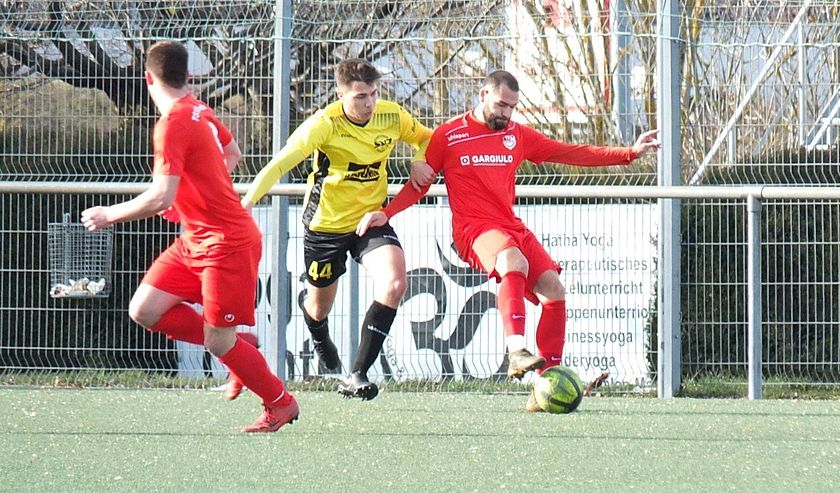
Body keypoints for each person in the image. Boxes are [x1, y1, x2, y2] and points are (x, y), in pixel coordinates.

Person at [357, 70, 659, 410]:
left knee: (554, 289)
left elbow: (570, 152)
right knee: (513, 260)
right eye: (502, 104)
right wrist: (388, 213)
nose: (507, 113)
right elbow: (420, 184)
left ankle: (546, 383)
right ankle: (516, 351)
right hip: (473, 229)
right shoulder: (449, 135)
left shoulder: (517, 135)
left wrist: (629, 153)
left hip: (511, 226)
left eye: (513, 107)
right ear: (483, 95)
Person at [80, 41, 299, 432]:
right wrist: (192, 198)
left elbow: (160, 196)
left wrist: (108, 214)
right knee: (144, 310)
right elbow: (232, 155)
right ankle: (239, 347)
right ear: (187, 76)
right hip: (195, 239)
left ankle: (279, 402)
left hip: (226, 244)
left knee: (218, 342)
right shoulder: (200, 109)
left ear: (148, 79)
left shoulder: (174, 123)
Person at [241, 58, 434, 400]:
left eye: (373, 93)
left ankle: (357, 373)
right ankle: (318, 332)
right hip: (325, 227)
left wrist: (419, 158)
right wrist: (247, 203)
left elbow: (427, 138)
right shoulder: (324, 124)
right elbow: (281, 163)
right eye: (360, 96)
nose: (369, 103)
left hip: (370, 221)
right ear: (340, 94)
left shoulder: (391, 115)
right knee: (319, 307)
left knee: (394, 284)